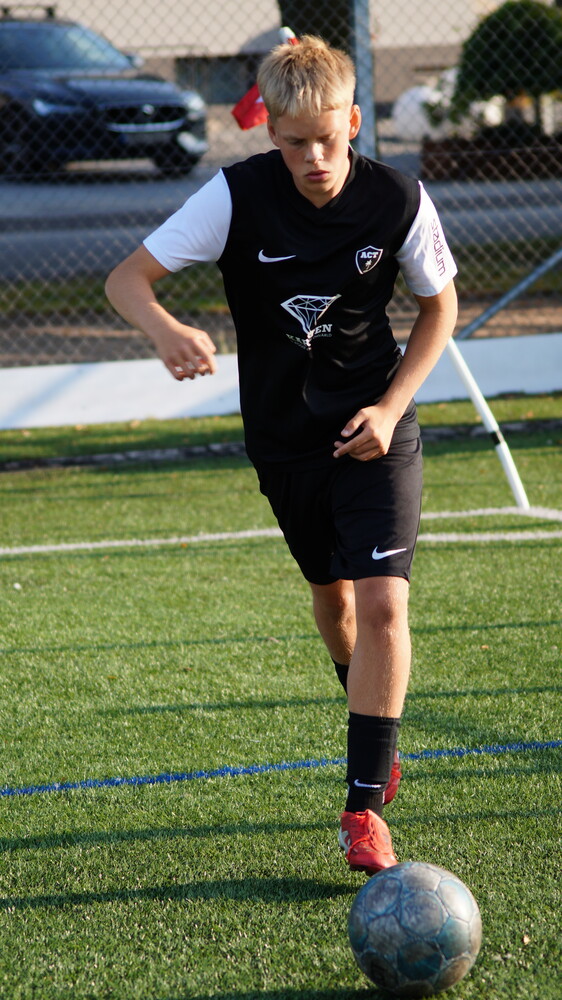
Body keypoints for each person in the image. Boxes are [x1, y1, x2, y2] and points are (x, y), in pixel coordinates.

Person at [105, 35, 458, 875]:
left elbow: (439, 307)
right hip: (284, 439)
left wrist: (390, 408)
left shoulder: (398, 198)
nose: (313, 159)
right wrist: (166, 329)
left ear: (353, 122)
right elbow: (126, 280)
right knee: (335, 605)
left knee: (382, 604)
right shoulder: (235, 196)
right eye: (294, 143)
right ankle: (373, 724)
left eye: (327, 140)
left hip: (375, 427)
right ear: (272, 132)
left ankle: (363, 807)